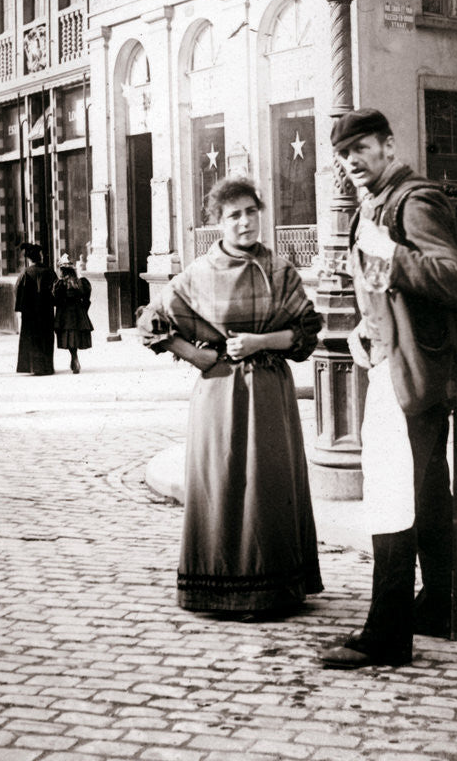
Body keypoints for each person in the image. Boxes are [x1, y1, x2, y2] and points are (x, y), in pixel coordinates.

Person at [320, 108, 457, 670]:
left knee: (390, 497)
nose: (353, 161)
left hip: (413, 373)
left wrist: (391, 253)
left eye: (362, 148)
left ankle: (386, 633)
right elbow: (389, 291)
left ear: (389, 145)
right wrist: (367, 324)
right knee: (429, 495)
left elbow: (455, 279)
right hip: (401, 364)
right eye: (344, 154)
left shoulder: (414, 199)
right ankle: (437, 605)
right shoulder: (379, 204)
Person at [139, 176, 324, 619]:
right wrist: (193, 356)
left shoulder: (279, 270)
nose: (245, 222)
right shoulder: (198, 274)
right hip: (220, 395)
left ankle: (275, 590)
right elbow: (151, 321)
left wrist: (263, 343)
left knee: (268, 485)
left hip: (269, 394)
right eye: (234, 215)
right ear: (218, 223)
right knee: (222, 482)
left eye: (251, 212)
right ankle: (218, 589)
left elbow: (307, 331)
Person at [14, 242, 56, 376]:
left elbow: (17, 290)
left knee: (32, 339)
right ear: (40, 256)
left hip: (30, 313)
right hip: (46, 312)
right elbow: (57, 290)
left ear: (29, 259)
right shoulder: (49, 272)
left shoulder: (25, 273)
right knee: (46, 337)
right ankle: (47, 367)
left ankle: (35, 367)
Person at [53, 254, 93, 374]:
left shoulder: (60, 284)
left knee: (69, 335)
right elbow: (86, 297)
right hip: (77, 311)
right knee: (75, 334)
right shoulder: (80, 282)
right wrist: (84, 310)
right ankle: (74, 358)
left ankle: (74, 357)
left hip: (64, 313)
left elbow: (55, 300)